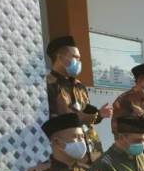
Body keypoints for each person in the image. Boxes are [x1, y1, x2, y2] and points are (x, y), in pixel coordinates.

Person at [45, 35, 112, 163]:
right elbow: (49, 121)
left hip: (92, 150)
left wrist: (99, 115)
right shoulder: (48, 85)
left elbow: (86, 115)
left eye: (79, 58)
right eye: (75, 57)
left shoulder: (79, 86)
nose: (79, 62)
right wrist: (79, 118)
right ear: (60, 57)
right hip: (68, 151)